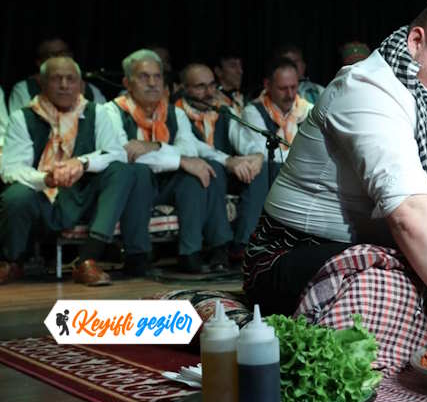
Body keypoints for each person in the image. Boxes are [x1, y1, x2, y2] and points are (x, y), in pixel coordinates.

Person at [246, 0, 427, 334]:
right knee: (393, 287)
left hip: (386, 248)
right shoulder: (366, 88)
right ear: (417, 42)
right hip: (291, 255)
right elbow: (410, 215)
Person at [0, 57, 149, 285]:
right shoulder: (23, 117)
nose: (64, 85)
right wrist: (46, 178)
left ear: (80, 84)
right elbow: (10, 168)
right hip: (43, 199)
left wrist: (82, 163)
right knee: (16, 195)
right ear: (42, 83)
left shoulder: (97, 113)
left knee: (123, 170)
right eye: (56, 79)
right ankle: (13, 263)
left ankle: (87, 260)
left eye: (71, 79)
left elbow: (115, 153)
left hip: (84, 195)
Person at [105, 49, 234, 273]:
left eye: (158, 76)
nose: (153, 83)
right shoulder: (111, 111)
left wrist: (154, 146)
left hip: (165, 184)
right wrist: (179, 160)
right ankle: (138, 256)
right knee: (142, 172)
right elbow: (126, 155)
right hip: (131, 187)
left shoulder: (175, 113)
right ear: (127, 82)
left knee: (201, 171)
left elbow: (187, 148)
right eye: (144, 77)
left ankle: (191, 253)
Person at [176, 63, 267, 263]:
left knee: (260, 168)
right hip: (192, 174)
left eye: (211, 85)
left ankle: (244, 244)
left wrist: (256, 156)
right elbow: (192, 149)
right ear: (184, 89)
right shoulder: (175, 113)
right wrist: (229, 161)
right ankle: (219, 246)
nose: (208, 92)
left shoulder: (223, 110)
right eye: (200, 87)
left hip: (227, 170)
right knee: (212, 166)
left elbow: (243, 140)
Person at [233, 58, 312, 172]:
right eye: (283, 88)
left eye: (294, 87)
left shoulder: (309, 110)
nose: (290, 95)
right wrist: (304, 157)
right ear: (267, 85)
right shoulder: (253, 112)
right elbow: (264, 154)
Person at [7, 38, 106, 115]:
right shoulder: (25, 89)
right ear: (39, 62)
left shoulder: (91, 91)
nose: (64, 86)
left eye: (63, 53)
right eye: (52, 55)